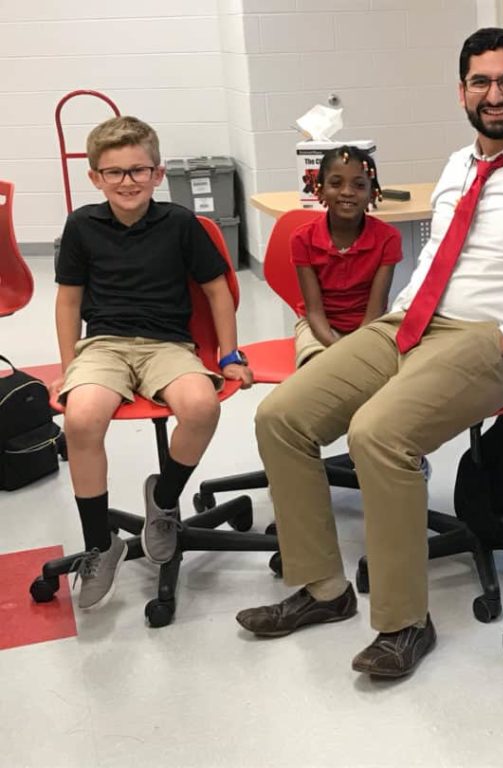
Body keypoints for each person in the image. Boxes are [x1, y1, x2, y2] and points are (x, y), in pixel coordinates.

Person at [235, 27, 503, 679]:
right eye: (481, 82)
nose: (495, 94)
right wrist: (400, 312)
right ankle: (323, 589)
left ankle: (404, 624)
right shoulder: (458, 164)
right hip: (412, 321)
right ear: (462, 91)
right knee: (280, 416)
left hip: (492, 340)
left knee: (379, 434)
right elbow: (440, 251)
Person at [52, 116, 253, 610]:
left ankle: (163, 501)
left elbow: (217, 292)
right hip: (104, 345)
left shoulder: (180, 223)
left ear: (158, 174)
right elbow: (68, 302)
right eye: (114, 172)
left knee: (202, 407)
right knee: (80, 419)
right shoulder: (82, 225)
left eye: (139, 170)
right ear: (95, 177)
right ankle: (101, 543)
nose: (127, 182)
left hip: (168, 346)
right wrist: (67, 366)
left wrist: (227, 354)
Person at [291, 145, 402, 367]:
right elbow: (314, 311)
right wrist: (336, 348)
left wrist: (355, 347)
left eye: (359, 185)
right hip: (320, 328)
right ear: (319, 190)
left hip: (370, 325)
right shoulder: (302, 240)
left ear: (373, 193)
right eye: (335, 183)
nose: (347, 192)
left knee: (388, 369)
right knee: (317, 370)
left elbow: (376, 308)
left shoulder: (388, 238)